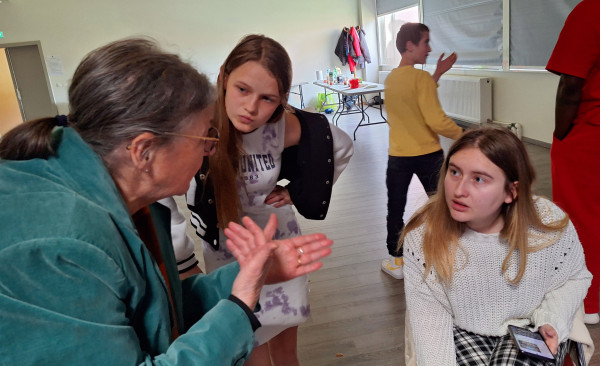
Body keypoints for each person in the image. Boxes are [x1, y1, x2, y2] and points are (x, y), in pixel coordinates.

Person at [0, 38, 333, 365]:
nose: (211, 150)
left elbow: (153, 310)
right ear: (144, 151)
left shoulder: (133, 205)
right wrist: (240, 306)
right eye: (205, 136)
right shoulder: (64, 246)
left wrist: (248, 276)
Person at [179, 34, 353, 366]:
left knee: (286, 354)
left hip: (281, 245)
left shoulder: (282, 125)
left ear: (281, 99)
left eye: (268, 98)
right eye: (243, 89)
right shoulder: (200, 126)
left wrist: (296, 191)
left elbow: (341, 146)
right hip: (230, 252)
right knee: (250, 355)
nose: (251, 108)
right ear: (224, 77)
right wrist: (182, 261)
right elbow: (163, 197)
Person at [402, 127, 592, 365]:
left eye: (478, 179)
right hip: (460, 328)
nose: (459, 190)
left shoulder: (548, 223)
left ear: (511, 191)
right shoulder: (422, 236)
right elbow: (430, 324)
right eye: (454, 172)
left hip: (530, 325)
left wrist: (552, 320)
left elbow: (574, 278)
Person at [382, 22, 463, 279]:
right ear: (410, 45)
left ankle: (397, 260)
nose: (429, 48)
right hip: (428, 156)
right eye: (425, 42)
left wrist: (436, 74)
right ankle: (447, 253)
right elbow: (436, 120)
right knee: (442, 205)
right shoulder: (420, 79)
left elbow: (414, 99)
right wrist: (467, 136)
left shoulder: (392, 78)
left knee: (395, 208)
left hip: (397, 157)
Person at [546, 0, 600, 325]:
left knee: (580, 217)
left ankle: (588, 303)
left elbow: (570, 85)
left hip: (590, 133)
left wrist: (561, 136)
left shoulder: (591, 10)